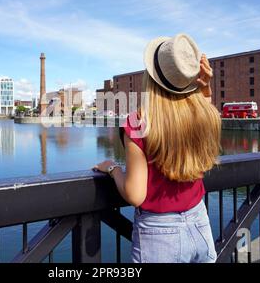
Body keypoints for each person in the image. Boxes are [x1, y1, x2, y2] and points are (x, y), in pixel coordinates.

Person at [93, 34, 221, 263]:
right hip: (200, 222)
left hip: (159, 234)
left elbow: (135, 194)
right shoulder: (206, 115)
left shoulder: (138, 123)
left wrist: (112, 168)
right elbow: (204, 108)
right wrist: (205, 88)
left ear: (150, 78)